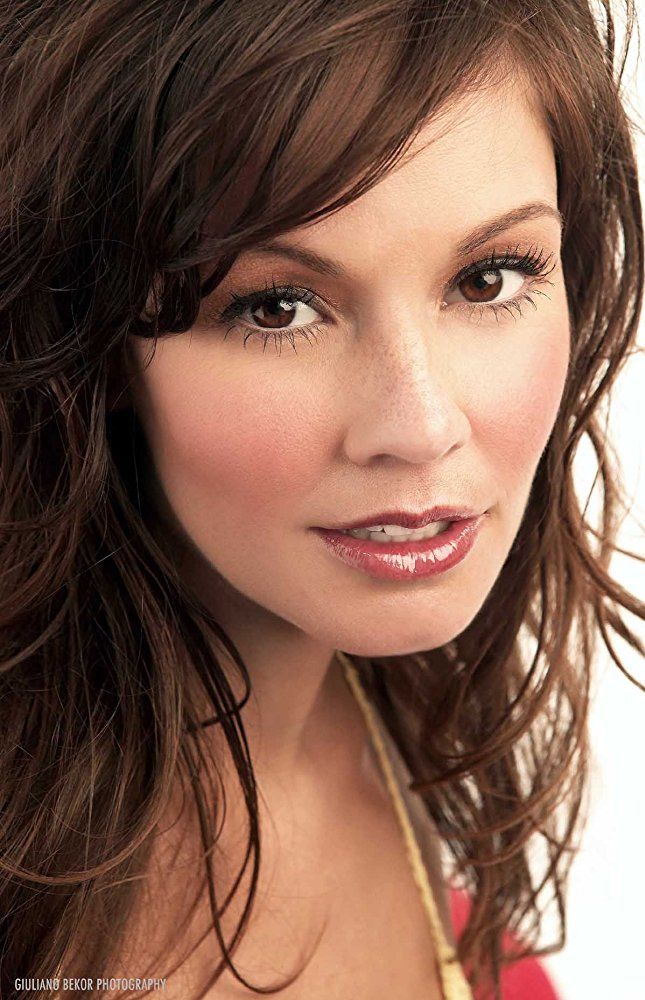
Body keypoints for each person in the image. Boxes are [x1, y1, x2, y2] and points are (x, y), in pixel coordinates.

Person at [1, 1, 643, 998]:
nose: (421, 425)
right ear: (93, 336)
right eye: (277, 307)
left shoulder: (393, 740)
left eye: (487, 278)